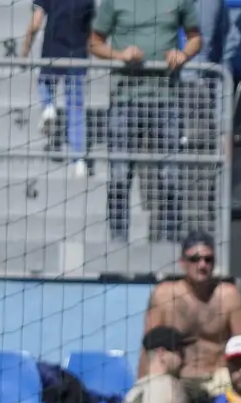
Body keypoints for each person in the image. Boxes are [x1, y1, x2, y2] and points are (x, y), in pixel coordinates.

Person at [88, 0, 200, 244]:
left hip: (166, 99)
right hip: (125, 99)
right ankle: (118, 244)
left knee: (170, 176)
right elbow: (94, 42)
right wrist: (119, 55)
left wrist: (183, 54)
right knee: (119, 175)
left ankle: (169, 247)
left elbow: (195, 37)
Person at [144, 232, 241, 403]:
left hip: (218, 381)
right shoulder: (165, 295)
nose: (202, 265)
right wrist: (141, 388)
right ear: (183, 263)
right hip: (178, 379)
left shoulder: (229, 295)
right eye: (195, 259)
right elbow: (148, 351)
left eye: (208, 259)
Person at [22, 0, 95, 165]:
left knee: (44, 81)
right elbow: (90, 29)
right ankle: (78, 160)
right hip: (77, 55)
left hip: (52, 52)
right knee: (75, 109)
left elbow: (35, 24)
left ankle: (48, 106)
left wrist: (25, 49)